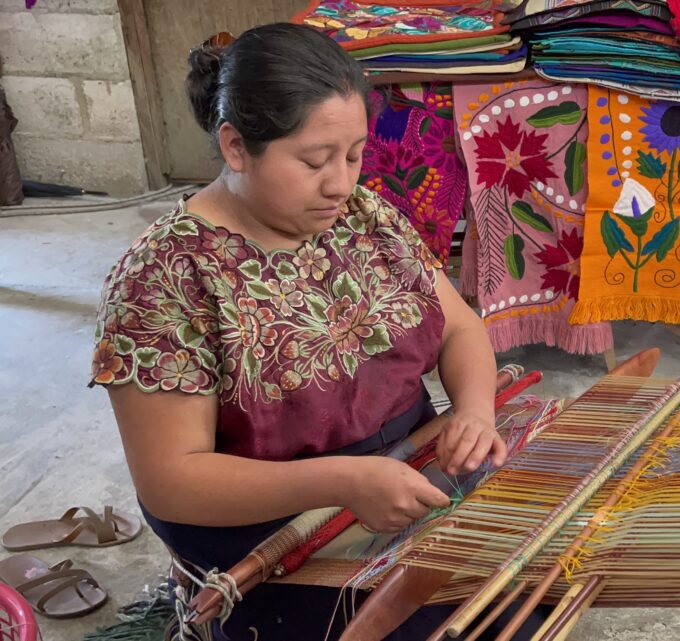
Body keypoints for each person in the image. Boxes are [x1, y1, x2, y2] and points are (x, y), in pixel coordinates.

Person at [89, 23, 534, 640]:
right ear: (236, 146)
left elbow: (460, 327)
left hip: (407, 465)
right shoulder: (166, 276)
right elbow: (172, 481)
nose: (341, 183)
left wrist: (476, 413)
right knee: (431, 627)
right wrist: (345, 482)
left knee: (528, 579)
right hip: (270, 528)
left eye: (354, 155)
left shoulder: (363, 216)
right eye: (314, 161)